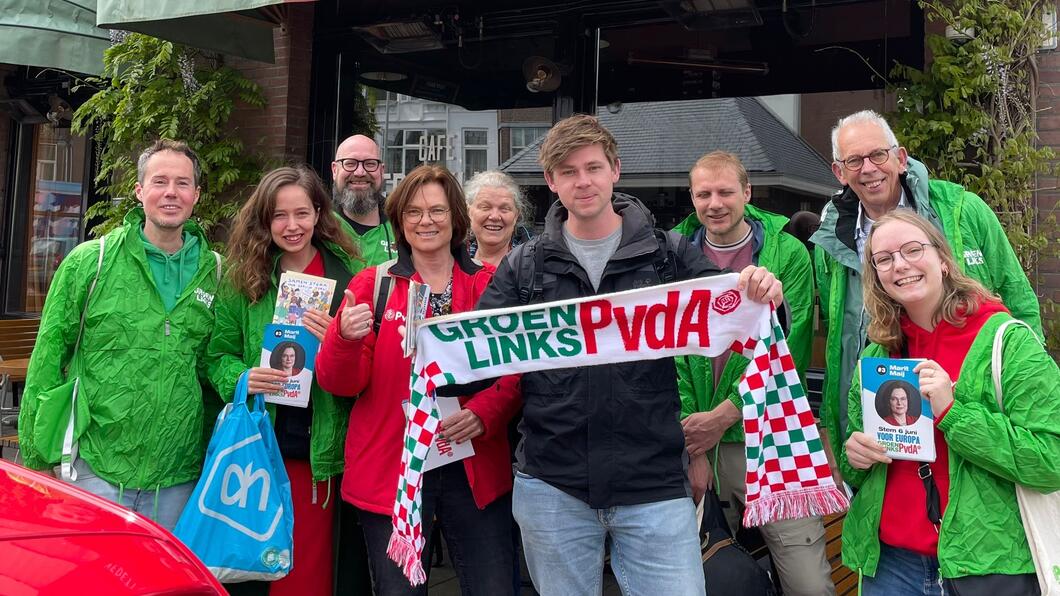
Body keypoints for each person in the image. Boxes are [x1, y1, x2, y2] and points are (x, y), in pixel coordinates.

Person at [476, 115, 784, 596]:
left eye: (593, 167)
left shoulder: (671, 255)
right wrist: (429, 346)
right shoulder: (525, 265)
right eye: (569, 171)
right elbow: (475, 360)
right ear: (552, 181)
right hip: (553, 486)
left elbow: (748, 330)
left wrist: (765, 297)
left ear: (615, 170)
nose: (583, 181)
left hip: (654, 485)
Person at [316, 165, 521, 595]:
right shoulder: (374, 285)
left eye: (437, 210)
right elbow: (342, 384)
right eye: (413, 212)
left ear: (456, 218)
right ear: (399, 221)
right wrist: (343, 339)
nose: (425, 221)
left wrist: (484, 413)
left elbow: (515, 372)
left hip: (472, 468)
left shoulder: (490, 287)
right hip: (394, 470)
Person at [840, 209, 1059, 595]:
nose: (900, 265)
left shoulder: (1007, 342)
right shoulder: (878, 354)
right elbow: (860, 466)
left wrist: (953, 414)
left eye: (912, 250)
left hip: (988, 566)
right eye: (885, 259)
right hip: (892, 566)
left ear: (943, 259)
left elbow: (1051, 460)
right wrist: (855, 458)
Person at [812, 109, 1043, 460]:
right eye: (854, 161)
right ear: (840, 173)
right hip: (883, 431)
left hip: (972, 421)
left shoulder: (962, 211)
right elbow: (837, 342)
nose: (869, 169)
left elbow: (1019, 302)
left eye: (878, 154)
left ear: (900, 158)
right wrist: (837, 428)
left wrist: (1026, 397)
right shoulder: (831, 241)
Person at [18, 139, 221, 531]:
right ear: (139, 191)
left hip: (179, 478)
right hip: (94, 468)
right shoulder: (89, 262)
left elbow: (213, 366)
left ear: (196, 195)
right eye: (159, 181)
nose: (170, 193)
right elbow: (46, 361)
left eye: (182, 183)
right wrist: (36, 462)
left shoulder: (217, 273)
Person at [673, 151, 830, 596]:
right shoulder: (674, 251)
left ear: (747, 192)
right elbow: (673, 355)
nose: (714, 203)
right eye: (703, 193)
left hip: (770, 436)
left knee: (808, 582)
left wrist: (728, 413)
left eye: (725, 191)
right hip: (696, 439)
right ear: (692, 197)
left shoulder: (787, 252)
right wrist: (695, 443)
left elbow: (791, 347)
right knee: (706, 577)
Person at [205, 166, 362, 595]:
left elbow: (367, 367)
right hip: (261, 447)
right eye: (279, 216)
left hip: (322, 450)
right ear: (264, 220)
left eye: (302, 213)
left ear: (318, 214)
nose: (291, 226)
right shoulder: (244, 279)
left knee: (311, 568)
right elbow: (216, 355)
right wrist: (242, 377)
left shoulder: (351, 278)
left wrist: (340, 339)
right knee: (261, 566)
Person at [332, 134, 396, 265]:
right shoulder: (318, 225)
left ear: (381, 171)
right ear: (334, 170)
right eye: (350, 163)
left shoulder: (402, 225)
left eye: (370, 164)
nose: (359, 172)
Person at [464, 169, 533, 266]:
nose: (495, 216)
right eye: (485, 207)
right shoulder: (451, 263)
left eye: (504, 209)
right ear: (468, 212)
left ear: (516, 215)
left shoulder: (535, 264)